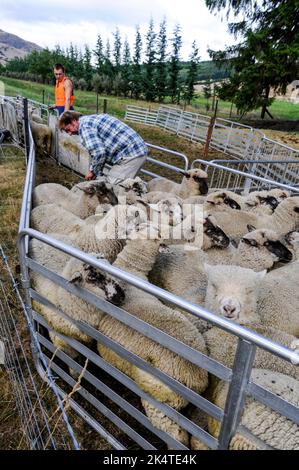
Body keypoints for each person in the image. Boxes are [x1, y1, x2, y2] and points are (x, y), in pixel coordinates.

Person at [58, 111, 148, 185]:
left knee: (112, 185)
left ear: (73, 121)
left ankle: (130, 200)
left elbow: (99, 152)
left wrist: (93, 171)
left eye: (68, 130)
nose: (69, 134)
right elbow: (97, 151)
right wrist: (94, 170)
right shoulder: (88, 120)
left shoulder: (84, 128)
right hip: (133, 149)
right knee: (115, 182)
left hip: (132, 153)